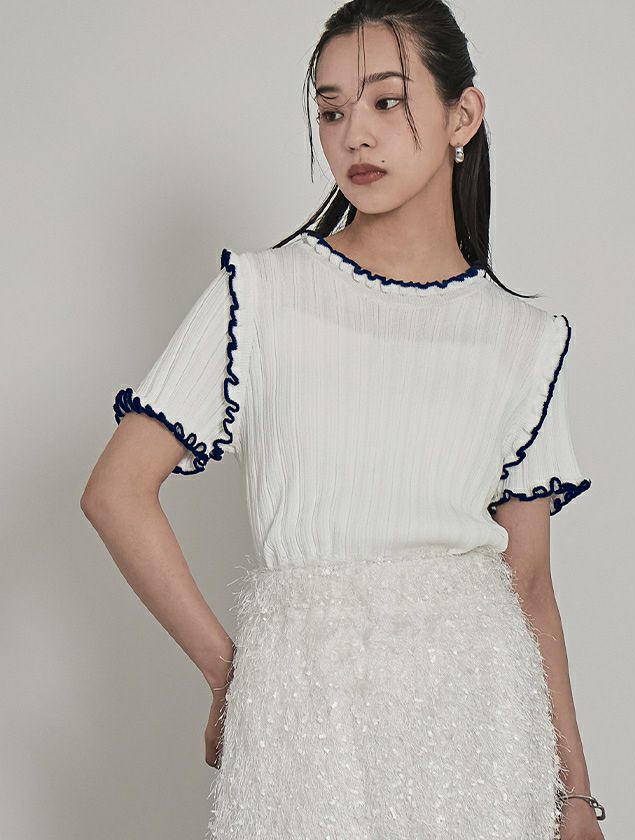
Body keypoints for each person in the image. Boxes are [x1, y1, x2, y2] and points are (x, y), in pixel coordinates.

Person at [81, 2, 606, 838]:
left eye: (387, 101)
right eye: (331, 111)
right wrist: (230, 676)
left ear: (462, 115)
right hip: (304, 714)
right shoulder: (263, 294)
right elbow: (115, 492)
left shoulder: (524, 339)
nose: (355, 134)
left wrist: (574, 796)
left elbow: (531, 583)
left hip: (480, 722)